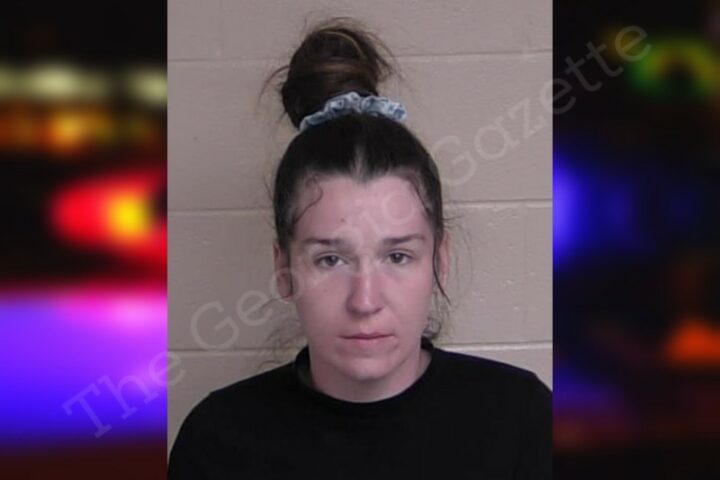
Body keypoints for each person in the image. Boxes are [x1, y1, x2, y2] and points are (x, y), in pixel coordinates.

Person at [168, 18, 551, 480]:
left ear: (439, 261)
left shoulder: (522, 420)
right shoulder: (217, 442)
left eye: (397, 256)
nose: (365, 301)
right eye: (330, 259)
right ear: (284, 270)